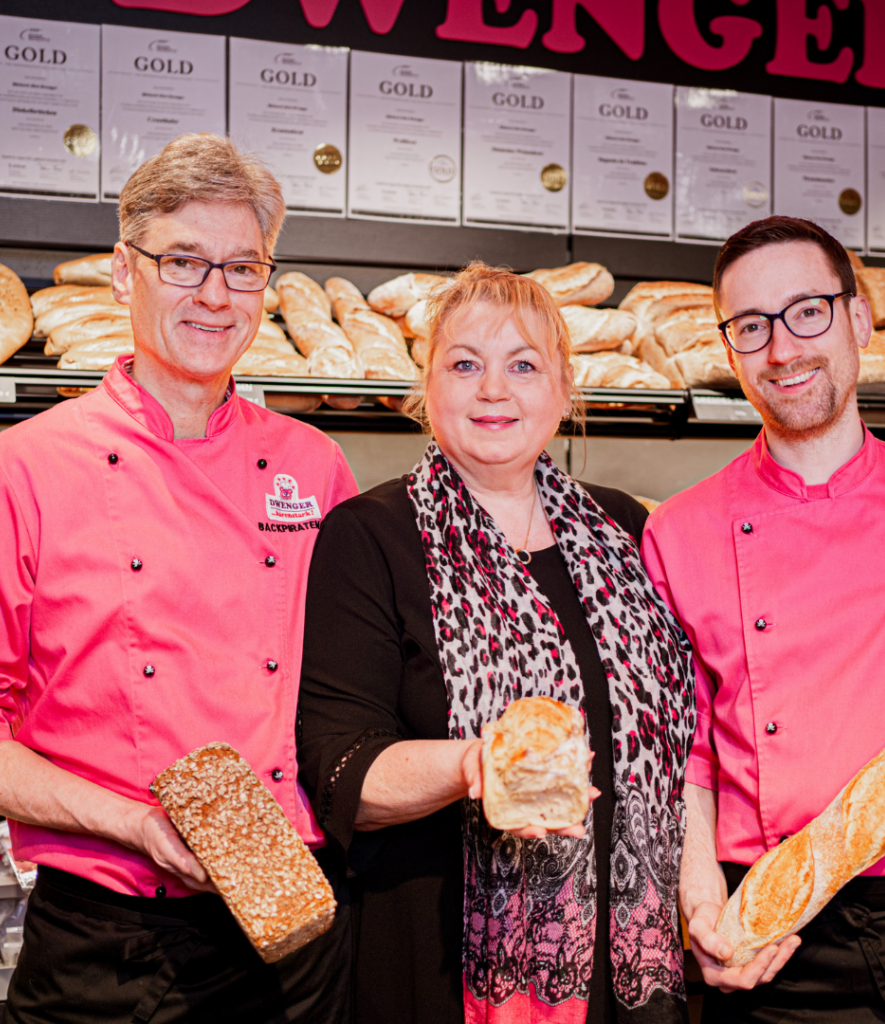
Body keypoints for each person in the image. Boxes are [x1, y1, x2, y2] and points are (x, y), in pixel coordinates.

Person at [0, 133, 358, 1023]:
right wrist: (138, 823)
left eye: (243, 266)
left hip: (298, 926)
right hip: (108, 941)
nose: (216, 295)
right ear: (123, 272)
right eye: (184, 261)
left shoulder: (315, 464)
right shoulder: (20, 470)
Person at [297, 263, 695, 1024]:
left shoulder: (628, 529)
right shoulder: (372, 535)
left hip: (636, 968)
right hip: (444, 966)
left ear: (563, 391)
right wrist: (480, 765)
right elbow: (338, 764)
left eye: (523, 365)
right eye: (465, 364)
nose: (493, 390)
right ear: (427, 387)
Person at [642, 215, 885, 1022]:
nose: (782, 350)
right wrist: (703, 911)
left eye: (808, 312)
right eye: (751, 327)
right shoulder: (680, 530)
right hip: (772, 934)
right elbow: (682, 755)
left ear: (860, 318)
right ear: (729, 349)